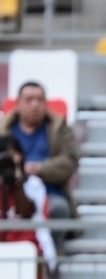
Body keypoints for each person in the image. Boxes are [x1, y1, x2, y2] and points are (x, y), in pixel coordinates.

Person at [1, 81, 79, 227]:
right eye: (29, 100)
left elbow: (70, 161)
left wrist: (39, 169)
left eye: (40, 99)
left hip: (50, 193)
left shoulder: (59, 127)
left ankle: (56, 250)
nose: (35, 105)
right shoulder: (3, 130)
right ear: (17, 103)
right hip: (10, 196)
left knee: (59, 209)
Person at [0, 134, 58, 279]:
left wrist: (16, 183)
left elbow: (28, 212)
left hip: (24, 250)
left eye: (13, 154)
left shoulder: (32, 184)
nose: (10, 160)